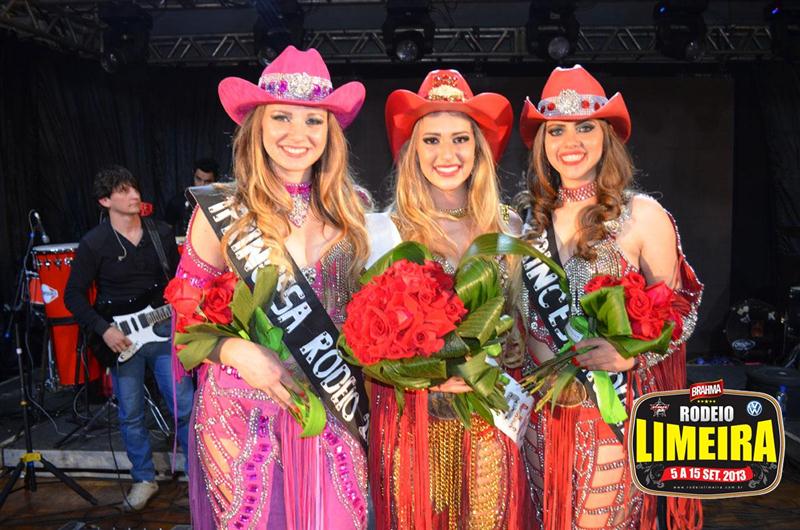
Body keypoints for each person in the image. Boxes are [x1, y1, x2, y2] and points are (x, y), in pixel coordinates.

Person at [174, 46, 371, 529]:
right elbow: (185, 321)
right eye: (281, 117)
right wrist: (236, 351)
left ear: (330, 132)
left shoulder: (356, 209)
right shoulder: (221, 209)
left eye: (313, 120)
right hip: (241, 413)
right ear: (256, 126)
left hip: (331, 406)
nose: (297, 134)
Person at [516, 65, 703, 529]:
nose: (570, 141)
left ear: (607, 136)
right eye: (556, 130)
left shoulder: (642, 214)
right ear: (542, 142)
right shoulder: (525, 223)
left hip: (611, 417)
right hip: (539, 422)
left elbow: (681, 311)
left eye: (585, 127)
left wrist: (631, 354)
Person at [369, 69, 531, 530]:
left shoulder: (508, 227)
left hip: (489, 423)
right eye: (432, 140)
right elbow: (363, 341)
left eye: (461, 139)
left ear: (479, 148)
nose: (447, 154)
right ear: (412, 150)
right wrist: (425, 374)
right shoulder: (383, 231)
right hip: (414, 425)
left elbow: (518, 327)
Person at [64, 165, 194, 511]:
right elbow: (73, 295)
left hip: (163, 331)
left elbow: (179, 282)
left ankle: (199, 477)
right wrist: (103, 329)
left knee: (184, 406)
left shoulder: (160, 232)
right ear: (105, 200)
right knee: (131, 414)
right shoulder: (94, 243)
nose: (134, 195)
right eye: (123, 191)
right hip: (122, 339)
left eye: (134, 188)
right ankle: (143, 479)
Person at [165, 157, 219, 236]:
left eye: (207, 181)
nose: (202, 185)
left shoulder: (221, 203)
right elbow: (165, 231)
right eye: (198, 179)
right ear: (193, 176)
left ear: (215, 181)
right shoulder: (178, 202)